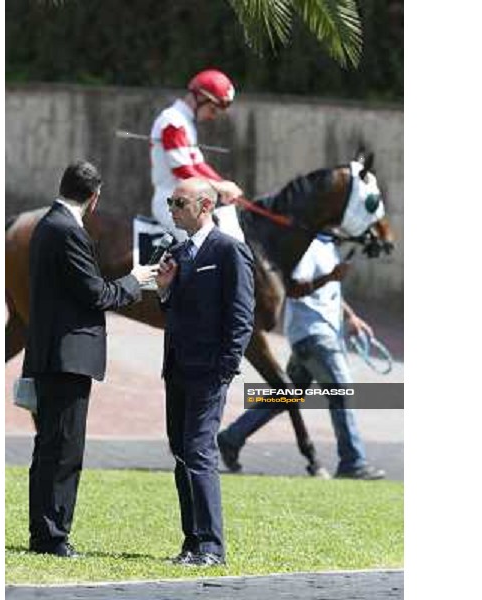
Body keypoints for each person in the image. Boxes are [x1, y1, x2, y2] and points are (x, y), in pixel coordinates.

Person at [22, 161, 159, 557]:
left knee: (49, 447)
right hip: (68, 357)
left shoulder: (48, 224)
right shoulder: (68, 231)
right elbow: (97, 294)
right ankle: (51, 537)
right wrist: (137, 281)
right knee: (63, 450)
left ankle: (43, 532)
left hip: (54, 353)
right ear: (94, 197)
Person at [217, 233, 386, 480]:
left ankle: (231, 438)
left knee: (287, 395)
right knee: (341, 391)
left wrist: (350, 316)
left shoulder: (328, 245)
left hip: (316, 334)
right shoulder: (307, 246)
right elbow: (294, 288)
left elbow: (329, 288)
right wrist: (331, 276)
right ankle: (353, 461)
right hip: (313, 335)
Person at [155, 177, 255, 566]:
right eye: (171, 202)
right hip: (177, 368)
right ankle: (192, 542)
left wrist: (226, 368)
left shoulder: (230, 251)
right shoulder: (178, 251)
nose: (173, 209)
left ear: (205, 206)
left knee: (199, 451)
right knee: (181, 452)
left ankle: (212, 546)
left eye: (179, 203)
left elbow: (242, 316)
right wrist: (165, 290)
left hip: (209, 372)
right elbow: (176, 311)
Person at [150, 68, 244, 242]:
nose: (212, 116)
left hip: (189, 201)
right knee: (206, 246)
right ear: (200, 97)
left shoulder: (185, 123)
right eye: (213, 110)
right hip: (172, 201)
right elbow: (182, 170)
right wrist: (220, 187)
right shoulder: (173, 121)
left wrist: (224, 184)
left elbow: (198, 166)